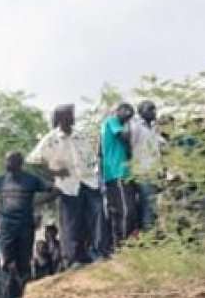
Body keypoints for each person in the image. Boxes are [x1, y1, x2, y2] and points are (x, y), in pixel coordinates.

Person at [27, 104, 103, 267]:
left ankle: (97, 251)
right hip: (67, 185)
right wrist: (52, 173)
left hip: (88, 181)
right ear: (61, 118)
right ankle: (73, 258)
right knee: (71, 222)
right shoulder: (51, 139)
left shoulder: (80, 135)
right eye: (70, 115)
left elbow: (92, 157)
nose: (73, 118)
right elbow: (33, 160)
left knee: (96, 216)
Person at [0, 151, 54, 298]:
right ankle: (5, 297)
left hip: (25, 225)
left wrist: (37, 203)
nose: (6, 163)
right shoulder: (0, 180)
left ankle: (19, 295)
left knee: (24, 262)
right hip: (6, 226)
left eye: (10, 161)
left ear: (19, 163)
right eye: (6, 161)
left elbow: (55, 190)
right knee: (6, 261)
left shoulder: (31, 179)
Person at [100, 103, 138, 248]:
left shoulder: (116, 125)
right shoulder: (111, 121)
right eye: (127, 111)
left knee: (123, 210)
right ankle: (123, 244)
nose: (130, 114)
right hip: (117, 172)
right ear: (117, 111)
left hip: (123, 173)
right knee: (126, 210)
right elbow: (124, 137)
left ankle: (120, 243)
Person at [131, 100, 162, 231]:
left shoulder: (154, 129)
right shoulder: (136, 127)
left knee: (153, 205)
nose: (154, 112)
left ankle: (152, 233)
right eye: (150, 109)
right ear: (141, 112)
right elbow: (129, 148)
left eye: (154, 109)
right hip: (143, 172)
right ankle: (148, 236)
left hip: (155, 172)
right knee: (147, 204)